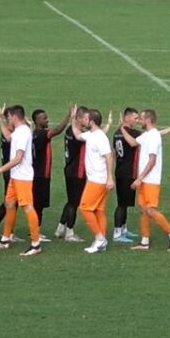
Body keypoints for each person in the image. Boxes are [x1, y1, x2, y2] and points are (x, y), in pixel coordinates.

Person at [0, 104, 45, 256]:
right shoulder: (20, 131)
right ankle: (6, 239)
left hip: (23, 177)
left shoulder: (23, 133)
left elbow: (18, 158)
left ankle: (35, 244)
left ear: (14, 116)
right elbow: (7, 137)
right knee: (10, 204)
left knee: (27, 207)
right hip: (15, 176)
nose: (8, 121)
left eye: (8, 118)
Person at [121, 109, 170, 251]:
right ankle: (145, 241)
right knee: (143, 209)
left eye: (141, 118)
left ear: (148, 119)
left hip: (151, 180)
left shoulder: (153, 136)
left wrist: (139, 178)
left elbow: (152, 160)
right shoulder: (146, 135)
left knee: (151, 210)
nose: (139, 121)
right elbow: (132, 143)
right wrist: (122, 128)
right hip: (144, 180)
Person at [70, 106, 115, 254]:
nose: (84, 121)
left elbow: (109, 156)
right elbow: (77, 135)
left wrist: (110, 177)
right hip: (97, 179)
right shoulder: (91, 134)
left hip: (98, 180)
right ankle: (101, 240)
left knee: (84, 208)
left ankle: (99, 238)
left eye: (87, 119)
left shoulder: (100, 137)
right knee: (99, 210)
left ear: (92, 121)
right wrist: (72, 118)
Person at [31, 107, 71, 233]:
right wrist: (68, 116)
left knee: (37, 205)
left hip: (37, 173)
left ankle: (35, 230)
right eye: (44, 118)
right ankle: (35, 232)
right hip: (41, 174)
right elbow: (58, 130)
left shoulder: (34, 133)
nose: (47, 120)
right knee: (38, 206)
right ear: (37, 121)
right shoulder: (43, 134)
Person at [56, 105, 90, 242]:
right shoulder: (78, 134)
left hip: (69, 169)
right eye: (86, 118)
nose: (89, 121)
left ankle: (60, 228)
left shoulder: (71, 131)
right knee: (74, 203)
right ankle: (69, 232)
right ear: (79, 119)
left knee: (71, 201)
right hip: (78, 171)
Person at [112, 107, 142, 243]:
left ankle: (123, 229)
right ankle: (117, 233)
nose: (137, 120)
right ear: (127, 118)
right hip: (127, 172)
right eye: (135, 118)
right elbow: (150, 135)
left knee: (124, 203)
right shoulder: (132, 133)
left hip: (120, 170)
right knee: (122, 204)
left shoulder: (117, 133)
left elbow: (114, 152)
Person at [0, 104, 14, 238]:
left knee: (9, 202)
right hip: (9, 172)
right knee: (9, 202)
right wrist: (0, 119)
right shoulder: (7, 134)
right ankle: (6, 232)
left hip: (9, 171)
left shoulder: (8, 131)